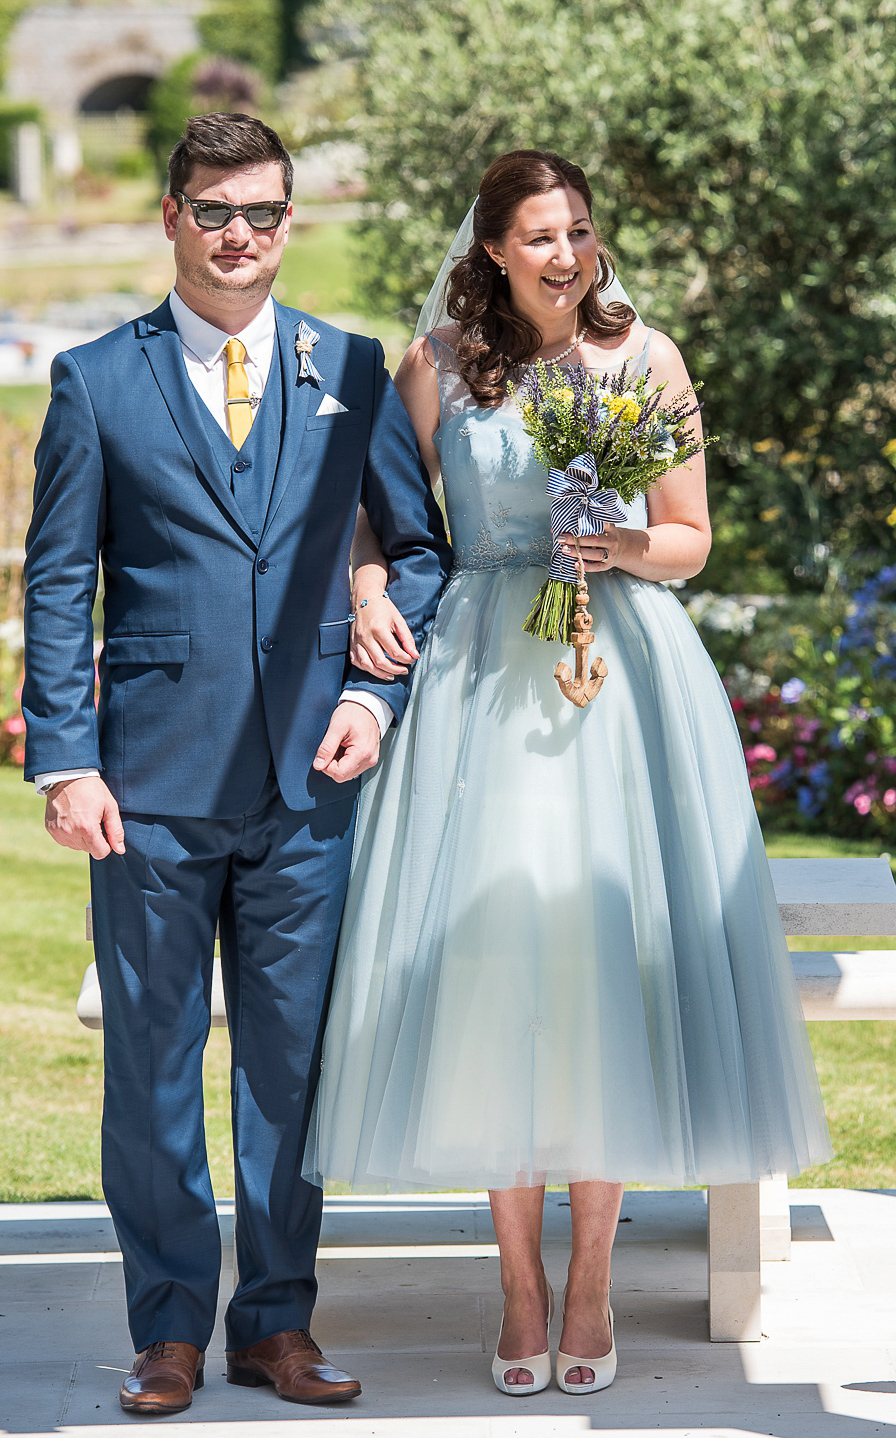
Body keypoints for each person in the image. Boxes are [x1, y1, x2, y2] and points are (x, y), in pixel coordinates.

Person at [304, 149, 832, 1397]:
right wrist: (372, 583)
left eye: (579, 231)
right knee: (496, 972)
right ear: (491, 246)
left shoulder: (645, 356)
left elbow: (694, 538)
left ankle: (590, 1280)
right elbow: (377, 511)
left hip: (621, 678)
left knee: (605, 964)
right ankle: (518, 1285)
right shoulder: (437, 362)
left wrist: (628, 541)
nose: (565, 255)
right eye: (538, 236)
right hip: (481, 680)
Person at [21, 112, 450, 1415]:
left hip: (308, 781)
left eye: (262, 211)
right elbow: (59, 585)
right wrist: (64, 761)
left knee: (290, 1075)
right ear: (172, 217)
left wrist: (378, 694)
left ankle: (276, 1324)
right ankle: (165, 1330)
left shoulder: (351, 366)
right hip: (145, 789)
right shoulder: (96, 380)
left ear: (288, 220)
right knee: (149, 1072)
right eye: (214, 209)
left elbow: (417, 550)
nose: (239, 235)